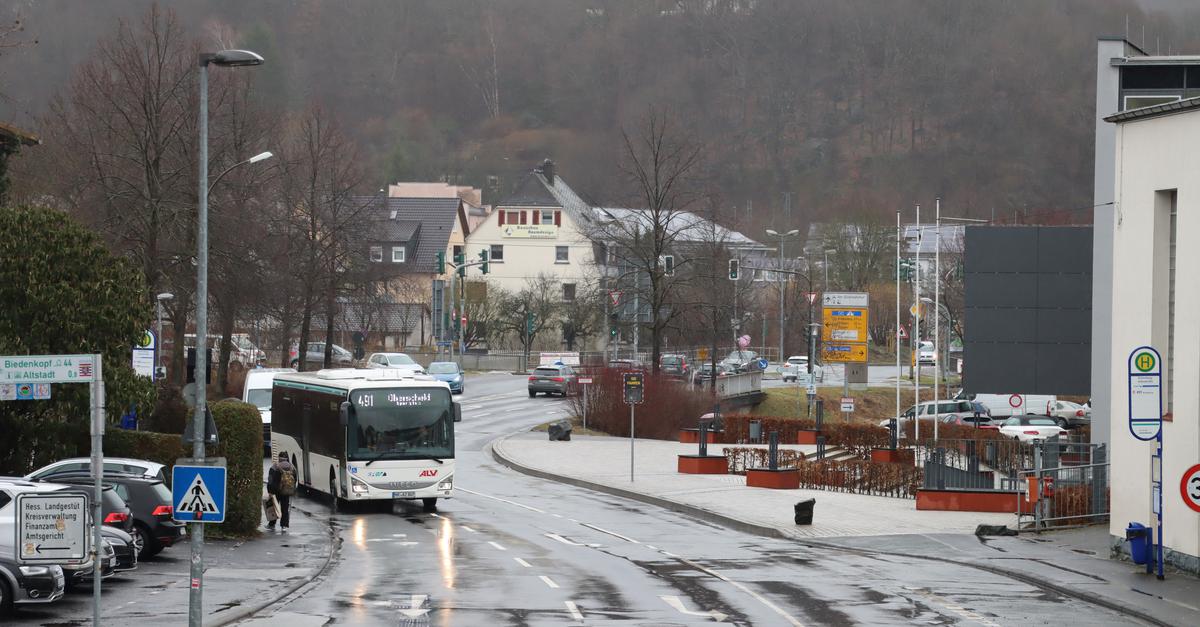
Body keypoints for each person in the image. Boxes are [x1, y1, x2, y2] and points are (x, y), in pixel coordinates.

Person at [267, 451, 296, 530]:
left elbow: (270, 479)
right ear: (287, 458)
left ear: (279, 458)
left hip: (276, 490)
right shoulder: (292, 467)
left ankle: (272, 524)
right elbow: (295, 479)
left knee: (274, 507)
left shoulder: (275, 466)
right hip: (287, 491)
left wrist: (269, 490)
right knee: (285, 508)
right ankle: (284, 525)